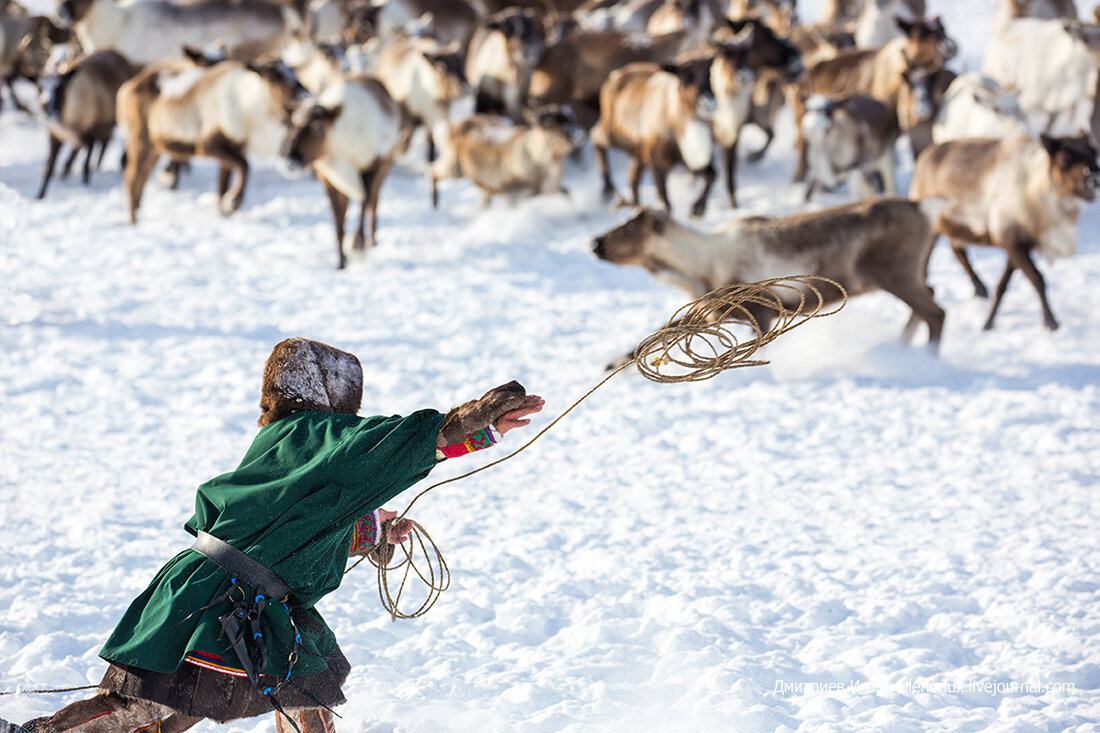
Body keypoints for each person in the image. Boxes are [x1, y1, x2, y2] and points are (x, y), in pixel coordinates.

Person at [1, 338, 544, 733]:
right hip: (218, 595)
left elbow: (297, 519)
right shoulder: (315, 434)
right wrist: (477, 421)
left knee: (302, 681)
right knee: (142, 708)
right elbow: (383, 448)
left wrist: (368, 531)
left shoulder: (291, 443)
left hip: (232, 592)